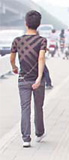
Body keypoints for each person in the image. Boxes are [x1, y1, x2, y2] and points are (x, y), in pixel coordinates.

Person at [10, 10, 47, 148]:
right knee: (38, 107)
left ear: (26, 23)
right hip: (38, 80)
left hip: (23, 79)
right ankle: (39, 133)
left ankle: (26, 139)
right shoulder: (42, 40)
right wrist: (38, 78)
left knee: (25, 108)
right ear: (39, 24)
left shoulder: (17, 41)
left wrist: (14, 67)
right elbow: (41, 58)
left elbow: (12, 58)